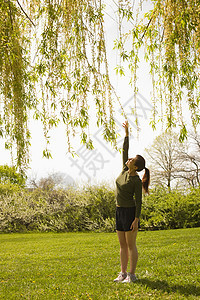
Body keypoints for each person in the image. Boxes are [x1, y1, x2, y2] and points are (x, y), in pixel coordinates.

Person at [114, 120, 150, 283]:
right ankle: (122, 273)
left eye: (131, 160)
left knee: (130, 245)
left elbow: (139, 201)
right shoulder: (124, 170)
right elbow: (124, 150)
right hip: (119, 210)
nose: (128, 159)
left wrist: (136, 219)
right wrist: (127, 134)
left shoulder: (135, 181)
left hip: (130, 212)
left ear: (135, 167)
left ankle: (132, 275)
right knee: (122, 245)